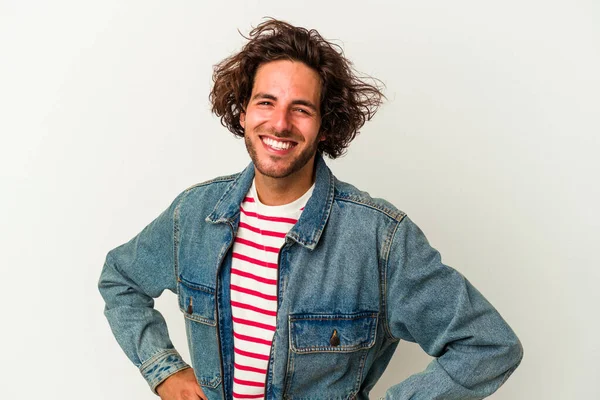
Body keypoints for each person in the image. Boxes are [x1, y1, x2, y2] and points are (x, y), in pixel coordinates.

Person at [98, 19, 523, 400]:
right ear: (243, 112)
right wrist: (164, 371)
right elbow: (121, 280)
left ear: (324, 126)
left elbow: (487, 345)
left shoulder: (379, 238)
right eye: (266, 102)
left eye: (301, 109)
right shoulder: (194, 215)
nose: (280, 123)